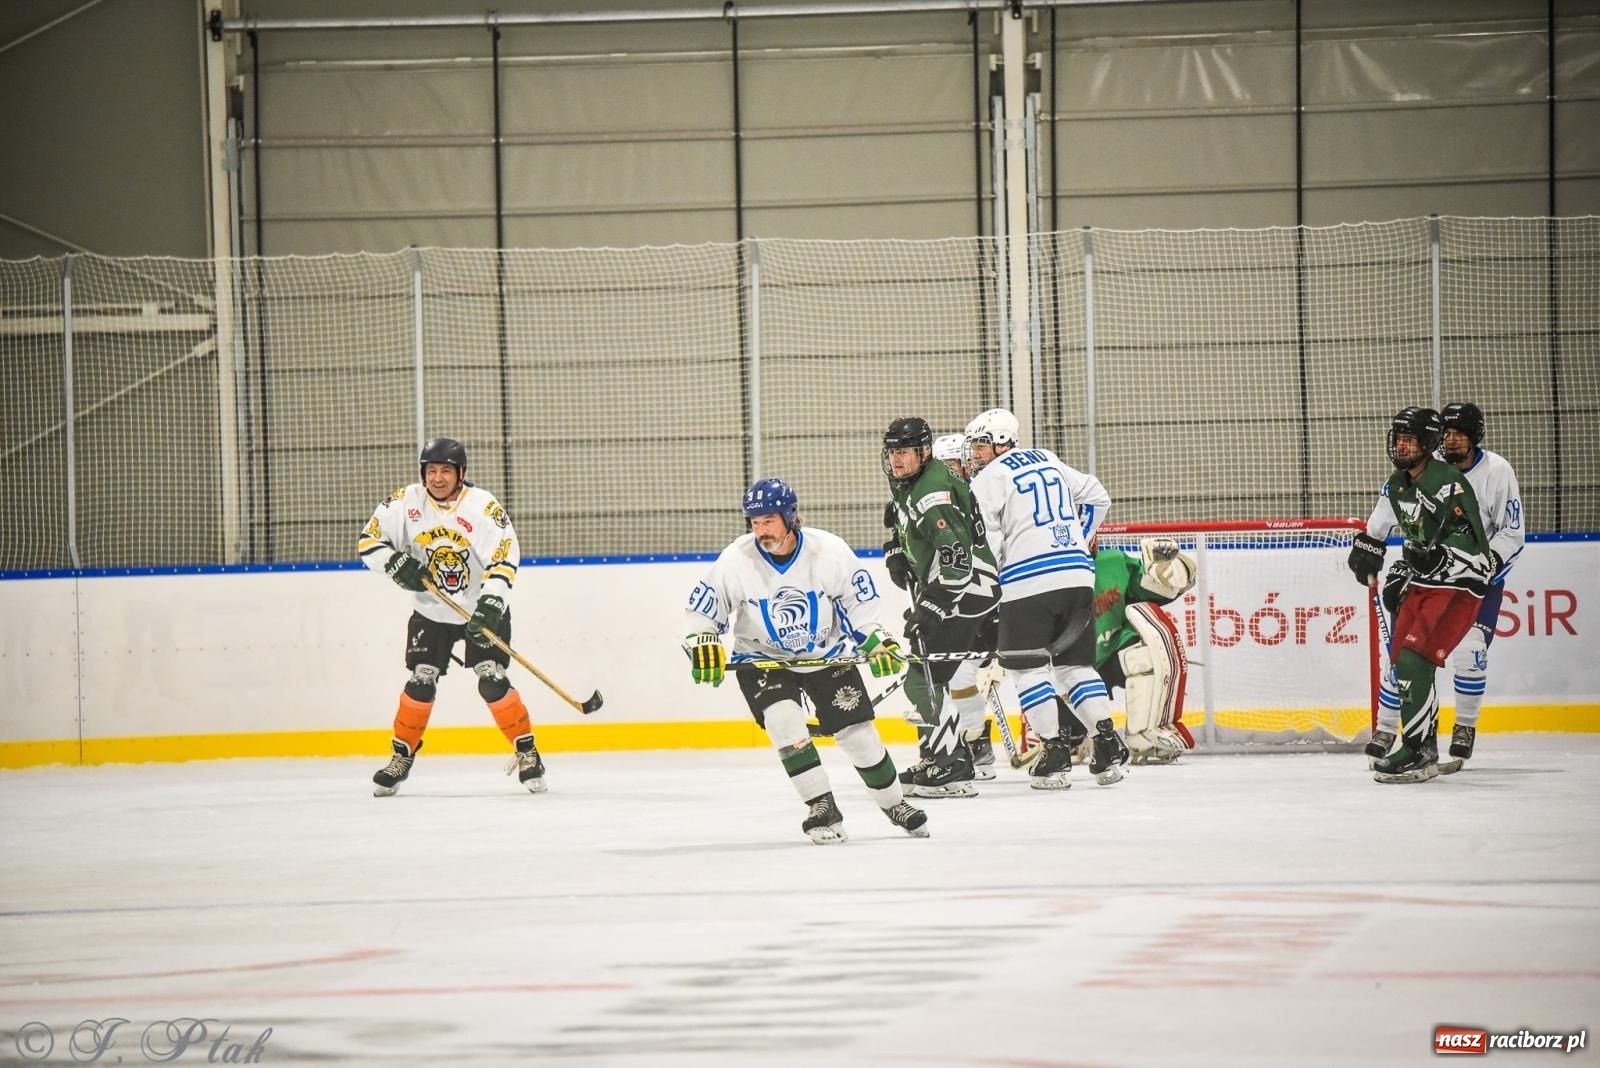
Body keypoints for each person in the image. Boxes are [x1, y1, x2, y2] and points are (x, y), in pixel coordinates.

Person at [683, 477, 929, 844]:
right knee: (784, 722)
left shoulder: (828, 551)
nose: (761, 530)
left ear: (789, 516)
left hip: (825, 655)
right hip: (762, 657)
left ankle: (894, 803)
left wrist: (876, 638)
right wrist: (701, 638)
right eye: (754, 522)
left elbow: (859, 609)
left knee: (858, 736)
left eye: (768, 520)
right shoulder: (736, 560)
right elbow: (702, 613)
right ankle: (822, 806)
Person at [358, 437, 545, 796]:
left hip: (481, 607)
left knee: (491, 678)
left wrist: (491, 603)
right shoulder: (404, 503)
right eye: (431, 470)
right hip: (430, 611)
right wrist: (394, 564)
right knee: (420, 681)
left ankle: (527, 752)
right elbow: (369, 541)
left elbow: (505, 557)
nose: (438, 478)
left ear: (461, 474)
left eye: (446, 470)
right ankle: (401, 757)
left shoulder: (483, 507)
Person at [964, 408, 1125, 789]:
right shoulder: (1047, 458)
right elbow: (1098, 496)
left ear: (1003, 444)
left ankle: (1053, 752)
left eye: (983, 445)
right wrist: (1080, 541)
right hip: (1078, 577)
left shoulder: (988, 479)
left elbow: (985, 541)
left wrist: (988, 584)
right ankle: (1106, 743)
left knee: (1027, 670)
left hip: (1028, 583)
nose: (976, 454)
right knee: (1075, 666)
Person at [1363, 403, 1524, 766]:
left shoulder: (1496, 472)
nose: (1451, 440)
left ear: (1474, 436)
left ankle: (1464, 725)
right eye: (1447, 433)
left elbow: (1510, 534)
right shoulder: (1422, 472)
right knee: (1403, 657)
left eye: (1460, 434)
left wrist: (1477, 568)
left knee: (1468, 653)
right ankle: (1390, 727)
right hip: (1425, 580)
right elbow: (1392, 513)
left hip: (1473, 580)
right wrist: (1371, 545)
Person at [881, 417, 1002, 797]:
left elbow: (958, 560)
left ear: (924, 451)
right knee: (925, 669)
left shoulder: (932, 492)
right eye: (891, 452)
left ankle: (952, 762)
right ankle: (937, 754)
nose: (896, 459)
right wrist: (898, 548)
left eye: (903, 451)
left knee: (924, 676)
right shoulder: (912, 481)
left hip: (967, 590)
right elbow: (913, 527)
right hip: (954, 587)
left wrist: (934, 605)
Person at [1088, 534, 1198, 764]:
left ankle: (1145, 737)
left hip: (1115, 648)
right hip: (1071, 667)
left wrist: (1166, 570)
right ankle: (1071, 738)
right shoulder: (1047, 577)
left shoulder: (1113, 562)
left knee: (1144, 656)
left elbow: (1153, 590)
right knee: (1063, 734)